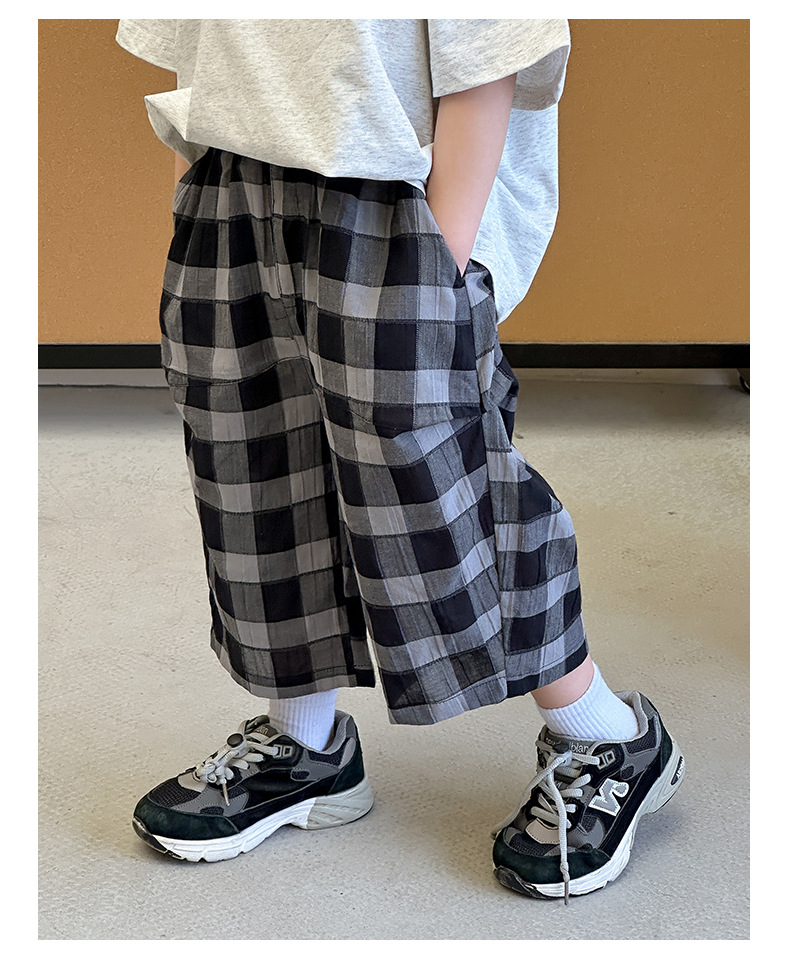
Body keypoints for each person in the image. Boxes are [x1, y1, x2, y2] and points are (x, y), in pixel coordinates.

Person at [116, 19, 684, 903]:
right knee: (253, 472)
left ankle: (605, 732)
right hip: (234, 185)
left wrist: (441, 255)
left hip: (392, 197)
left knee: (439, 482)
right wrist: (211, 190)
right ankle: (306, 745)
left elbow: (490, 55)